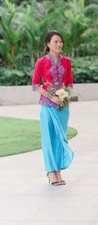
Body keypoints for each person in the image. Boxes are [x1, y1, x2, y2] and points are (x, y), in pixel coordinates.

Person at [32, 31, 74, 186]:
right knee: (49, 138)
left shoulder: (67, 62)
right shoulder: (41, 62)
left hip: (63, 106)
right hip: (47, 106)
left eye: (61, 41)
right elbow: (35, 84)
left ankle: (58, 171)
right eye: (55, 41)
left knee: (60, 137)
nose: (59, 44)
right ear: (48, 44)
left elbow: (69, 83)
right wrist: (52, 97)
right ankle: (51, 172)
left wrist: (65, 95)